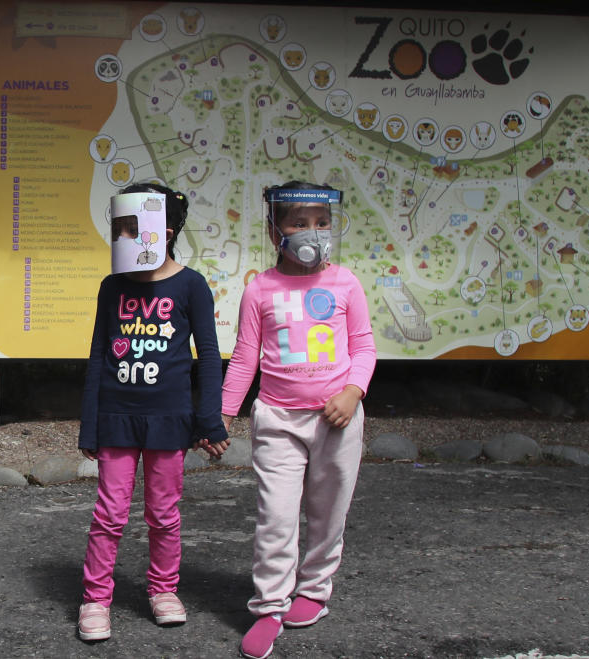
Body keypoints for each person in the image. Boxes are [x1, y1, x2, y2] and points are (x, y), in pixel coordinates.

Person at [221, 181, 376, 659]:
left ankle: (313, 591)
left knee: (329, 512)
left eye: (322, 223)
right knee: (277, 516)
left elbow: (364, 347)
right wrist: (224, 413)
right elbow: (246, 356)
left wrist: (352, 392)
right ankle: (269, 605)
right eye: (300, 223)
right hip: (278, 419)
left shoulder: (346, 282)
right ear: (275, 232)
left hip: (337, 421)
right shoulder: (260, 288)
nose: (314, 232)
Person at [77, 182, 230, 642]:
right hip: (117, 420)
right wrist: (90, 424)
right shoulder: (112, 287)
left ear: (161, 232)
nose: (121, 237)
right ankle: (95, 598)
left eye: (131, 229)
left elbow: (207, 352)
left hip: (170, 420)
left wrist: (209, 420)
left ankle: (164, 590)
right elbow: (100, 353)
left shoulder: (191, 285)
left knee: (164, 514)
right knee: (109, 514)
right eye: (117, 229)